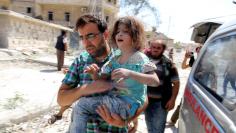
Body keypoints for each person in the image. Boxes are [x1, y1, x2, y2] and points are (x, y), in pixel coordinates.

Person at [57, 14, 149, 133]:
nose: (86, 43)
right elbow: (61, 99)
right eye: (82, 37)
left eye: (90, 36)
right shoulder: (81, 61)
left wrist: (128, 120)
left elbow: (144, 98)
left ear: (105, 34)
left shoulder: (125, 57)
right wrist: (86, 89)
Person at [144, 39, 180, 133]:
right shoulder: (143, 60)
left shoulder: (169, 64)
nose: (155, 49)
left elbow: (176, 83)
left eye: (158, 48)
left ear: (163, 49)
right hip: (145, 101)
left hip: (161, 103)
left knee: (158, 129)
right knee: (150, 126)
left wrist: (172, 100)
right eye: (153, 47)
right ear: (150, 48)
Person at [166, 45, 202, 127]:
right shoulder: (194, 61)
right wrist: (186, 58)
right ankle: (173, 120)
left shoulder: (207, 63)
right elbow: (183, 67)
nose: (198, 52)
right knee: (183, 102)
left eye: (200, 51)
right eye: (198, 51)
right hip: (192, 86)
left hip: (201, 88)